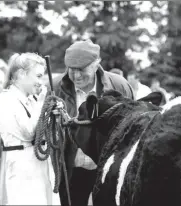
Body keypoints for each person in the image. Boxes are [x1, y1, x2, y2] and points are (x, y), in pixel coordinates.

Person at [49, 39, 134, 206]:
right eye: (72, 70)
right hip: (71, 167)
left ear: (96, 65)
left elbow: (132, 126)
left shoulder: (120, 86)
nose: (77, 76)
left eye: (82, 70)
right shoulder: (57, 86)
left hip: (106, 169)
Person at [0, 52, 62, 205]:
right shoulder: (7, 99)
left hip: (38, 164)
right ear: (22, 74)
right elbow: (28, 132)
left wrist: (55, 114)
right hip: (22, 165)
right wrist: (43, 104)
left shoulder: (31, 99)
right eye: (38, 76)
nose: (41, 82)